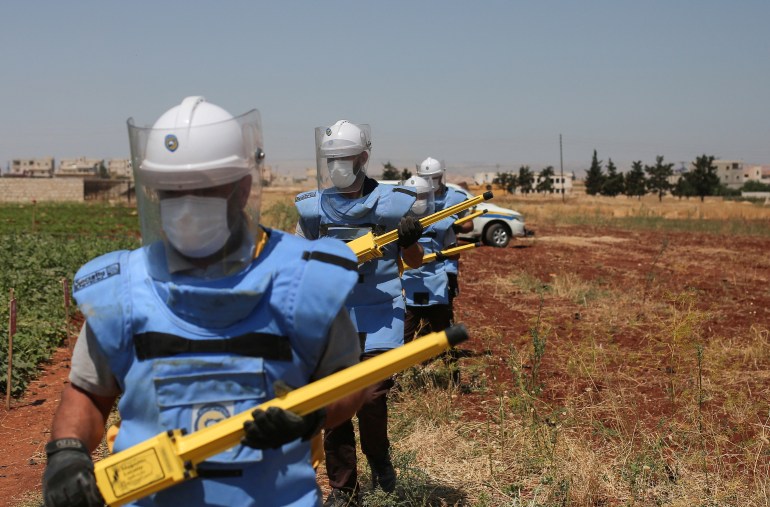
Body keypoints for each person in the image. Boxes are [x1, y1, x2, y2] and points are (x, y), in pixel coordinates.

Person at [42, 97, 368, 507]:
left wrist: (311, 415)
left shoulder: (304, 279)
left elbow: (347, 381)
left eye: (204, 188)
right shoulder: (122, 291)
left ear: (243, 186)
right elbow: (89, 392)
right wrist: (67, 453)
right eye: (172, 192)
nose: (186, 204)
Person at [294, 120, 424, 506]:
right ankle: (343, 489)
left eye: (343, 158)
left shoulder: (394, 204)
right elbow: (300, 261)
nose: (336, 166)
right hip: (334, 317)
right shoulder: (314, 210)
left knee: (370, 398)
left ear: (363, 157)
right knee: (334, 404)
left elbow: (414, 262)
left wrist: (409, 239)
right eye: (330, 159)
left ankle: (380, 457)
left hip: (382, 311)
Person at [401, 175, 458, 342]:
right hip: (409, 284)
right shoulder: (398, 225)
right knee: (404, 335)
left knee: (443, 334)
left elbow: (455, 252)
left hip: (436, 286)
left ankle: (450, 366)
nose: (418, 201)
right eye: (414, 197)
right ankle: (400, 366)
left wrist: (444, 254)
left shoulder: (441, 223)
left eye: (422, 196)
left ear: (429, 196)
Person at [416, 158, 473, 322]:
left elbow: (469, 223)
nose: (431, 182)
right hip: (422, 261)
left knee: (444, 304)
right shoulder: (417, 197)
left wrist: (456, 228)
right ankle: (423, 333)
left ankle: (444, 337)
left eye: (434, 177)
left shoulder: (456, 198)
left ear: (441, 176)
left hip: (447, 262)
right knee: (420, 302)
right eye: (427, 178)